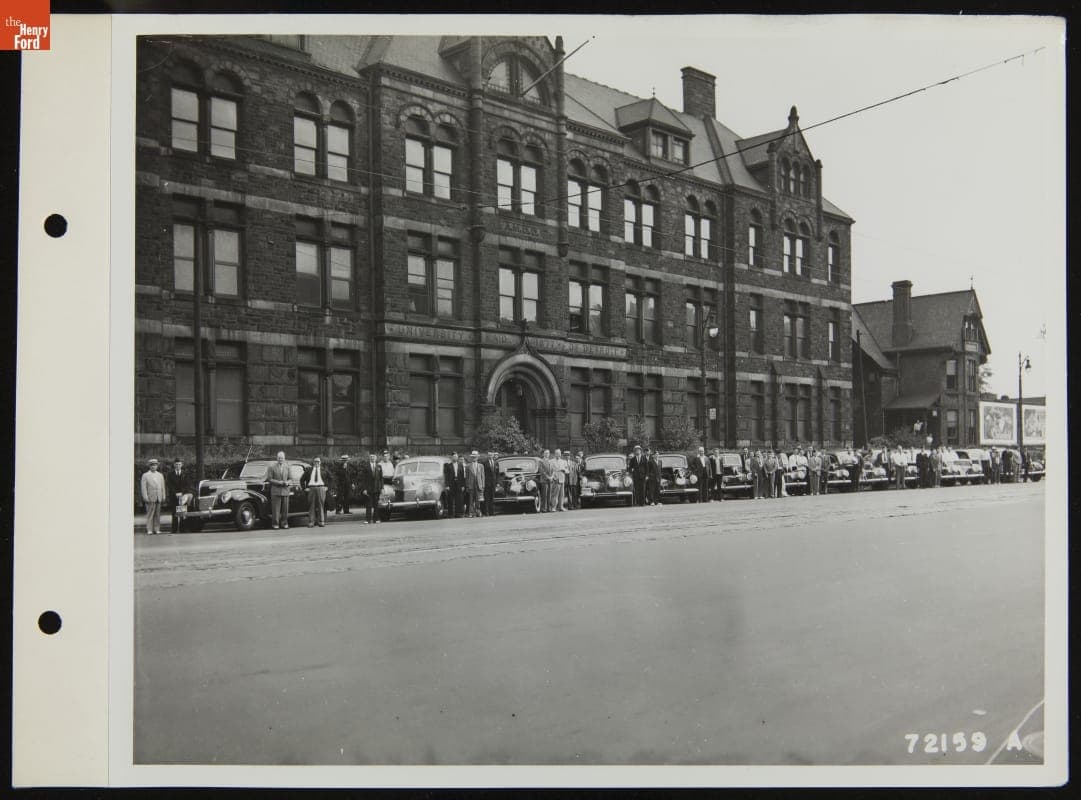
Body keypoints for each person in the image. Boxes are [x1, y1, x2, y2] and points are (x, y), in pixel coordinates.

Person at [263, 451, 293, 530]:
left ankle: (284, 523)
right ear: (277, 458)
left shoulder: (287, 467)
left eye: (282, 458)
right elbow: (269, 479)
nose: (280, 459)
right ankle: (275, 524)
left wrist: (288, 482)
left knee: (285, 509)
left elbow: (291, 478)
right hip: (276, 491)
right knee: (276, 509)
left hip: (285, 490)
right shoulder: (272, 467)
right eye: (279, 458)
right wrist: (279, 482)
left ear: (284, 458)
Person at [165, 457, 194, 533]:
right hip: (174, 496)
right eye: (176, 464)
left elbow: (188, 485)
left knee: (182, 512)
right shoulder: (170, 474)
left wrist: (182, 493)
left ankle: (182, 529)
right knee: (174, 513)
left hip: (183, 496)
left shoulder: (185, 474)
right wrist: (175, 493)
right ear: (174, 465)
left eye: (179, 464)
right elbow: (169, 485)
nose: (178, 466)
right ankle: (174, 530)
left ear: (182, 465)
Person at [140, 458, 167, 535]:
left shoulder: (160, 475)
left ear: (157, 466)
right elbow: (143, 488)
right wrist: (145, 497)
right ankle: (149, 529)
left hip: (159, 497)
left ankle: (157, 528)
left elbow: (163, 487)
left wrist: (163, 495)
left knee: (157, 514)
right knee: (150, 514)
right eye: (152, 465)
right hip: (150, 497)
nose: (153, 467)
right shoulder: (145, 475)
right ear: (149, 466)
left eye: (155, 465)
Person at [301, 456, 328, 527]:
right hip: (311, 488)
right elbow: (302, 479)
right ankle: (311, 522)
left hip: (321, 488)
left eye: (318, 461)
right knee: (311, 505)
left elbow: (331, 478)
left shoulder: (324, 470)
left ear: (320, 462)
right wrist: (304, 488)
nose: (317, 463)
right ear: (313, 462)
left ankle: (321, 521)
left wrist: (327, 487)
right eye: (315, 461)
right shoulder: (309, 470)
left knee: (321, 505)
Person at [356, 452, 383, 524]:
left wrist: (382, 488)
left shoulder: (379, 466)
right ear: (369, 458)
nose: (372, 458)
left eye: (374, 457)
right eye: (371, 457)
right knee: (368, 505)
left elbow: (381, 479)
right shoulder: (366, 467)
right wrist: (364, 489)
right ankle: (368, 520)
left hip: (377, 489)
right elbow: (363, 479)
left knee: (376, 505)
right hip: (368, 489)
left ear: (376, 458)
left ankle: (376, 519)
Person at [443, 452, 465, 519]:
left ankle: (459, 514)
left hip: (459, 484)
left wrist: (463, 485)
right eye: (454, 457)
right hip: (451, 484)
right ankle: (450, 514)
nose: (455, 458)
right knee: (450, 500)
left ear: (457, 458)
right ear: (451, 458)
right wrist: (447, 485)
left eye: (456, 457)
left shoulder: (460, 465)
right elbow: (446, 476)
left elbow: (462, 476)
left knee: (459, 499)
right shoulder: (448, 465)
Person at [465, 450, 485, 518]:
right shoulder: (468, 466)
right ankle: (471, 513)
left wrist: (483, 485)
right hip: (471, 485)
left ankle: (478, 512)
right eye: (473, 457)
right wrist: (467, 486)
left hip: (478, 485)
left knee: (478, 500)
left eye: (475, 457)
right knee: (471, 500)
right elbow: (467, 477)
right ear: (471, 457)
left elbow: (483, 476)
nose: (474, 458)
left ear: (477, 457)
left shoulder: (481, 466)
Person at [483, 450, 498, 516]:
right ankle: (486, 512)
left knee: (492, 498)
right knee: (486, 498)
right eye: (489, 455)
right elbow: (483, 474)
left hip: (493, 483)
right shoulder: (484, 463)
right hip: (486, 483)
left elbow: (497, 474)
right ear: (487, 455)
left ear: (493, 455)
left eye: (491, 455)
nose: (490, 456)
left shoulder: (496, 463)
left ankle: (492, 512)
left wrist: (497, 482)